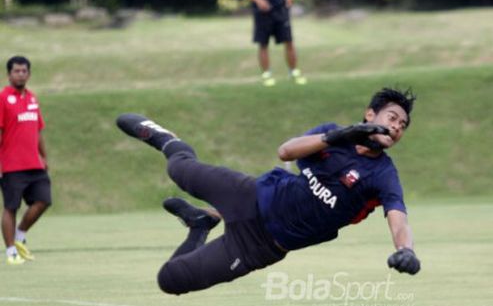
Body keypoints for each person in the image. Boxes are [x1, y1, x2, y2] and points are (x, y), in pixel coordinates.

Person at [115, 87, 420, 295]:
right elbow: (286, 151)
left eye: (403, 125)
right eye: (392, 118)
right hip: (251, 195)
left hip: (259, 245)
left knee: (170, 280)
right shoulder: (333, 135)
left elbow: (398, 217)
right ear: (370, 115)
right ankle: (164, 138)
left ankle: (199, 225)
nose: (396, 127)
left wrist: (405, 251)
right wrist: (338, 136)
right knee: (178, 170)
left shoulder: (383, 175)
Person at [1, 56, 51, 265]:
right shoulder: (3, 98)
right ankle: (11, 250)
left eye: (24, 71)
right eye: (16, 71)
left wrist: (44, 156)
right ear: (9, 74)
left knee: (43, 201)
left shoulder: (32, 98)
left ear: (29, 74)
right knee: (11, 207)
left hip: (34, 164)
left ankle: (20, 235)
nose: (20, 74)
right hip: (11, 165)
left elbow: (38, 130)